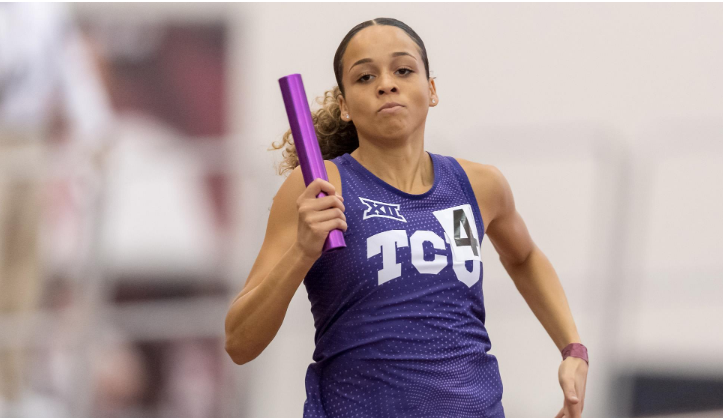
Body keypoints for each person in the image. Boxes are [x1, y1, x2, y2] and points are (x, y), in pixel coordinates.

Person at [225, 17, 589, 418]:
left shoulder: (480, 185)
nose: (386, 83)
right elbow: (239, 343)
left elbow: (524, 258)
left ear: (431, 89)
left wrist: (572, 348)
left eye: (403, 70)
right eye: (365, 77)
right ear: (344, 105)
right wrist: (301, 250)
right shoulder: (319, 186)